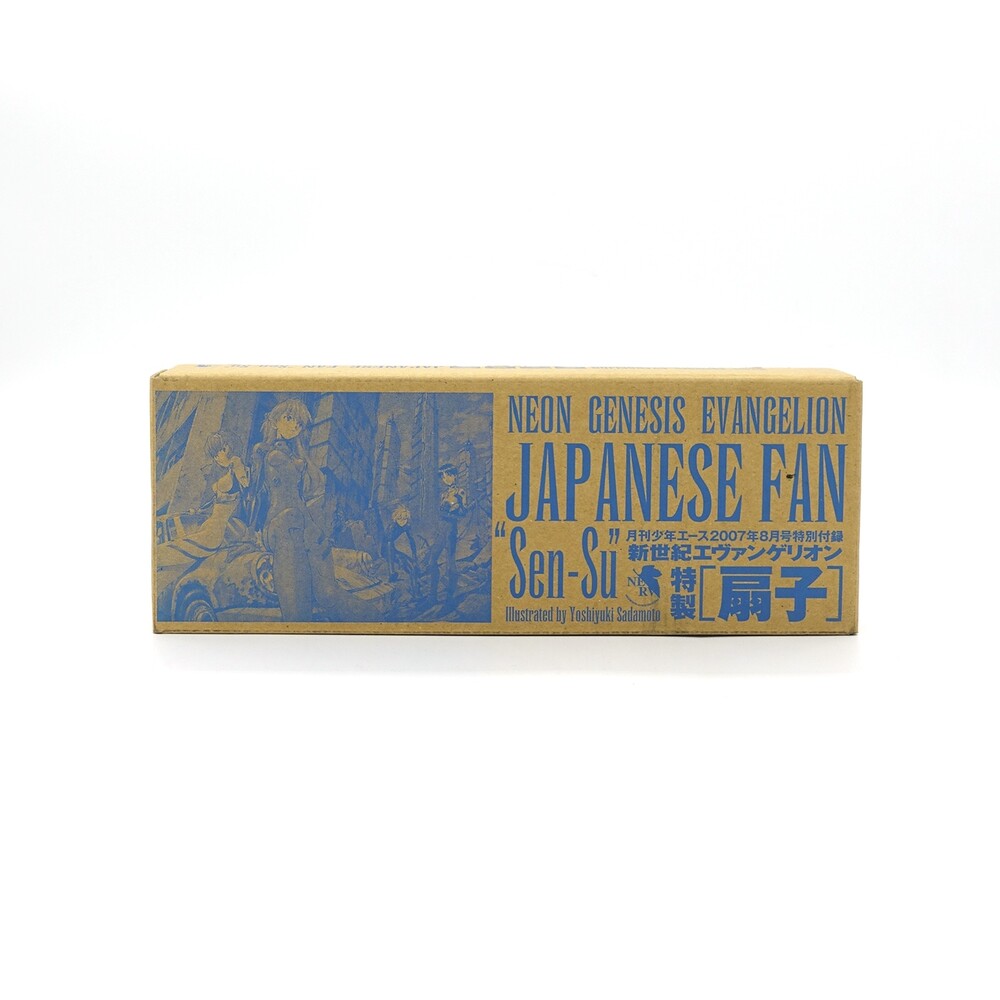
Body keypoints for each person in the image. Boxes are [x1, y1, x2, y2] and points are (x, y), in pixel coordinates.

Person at [249, 399, 325, 621]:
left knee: (306, 586)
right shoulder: (268, 453)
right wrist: (254, 528)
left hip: (294, 521)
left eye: (299, 424)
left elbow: (300, 496)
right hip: (279, 522)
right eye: (289, 418)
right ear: (275, 420)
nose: (294, 426)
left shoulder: (294, 455)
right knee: (295, 599)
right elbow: (258, 493)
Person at [425, 462, 468, 610]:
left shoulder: (460, 492)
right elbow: (439, 512)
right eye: (443, 477)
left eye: (447, 476)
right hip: (441, 531)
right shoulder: (444, 494)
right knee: (432, 560)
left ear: (454, 475)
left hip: (450, 530)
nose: (445, 479)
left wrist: (458, 506)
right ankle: (432, 597)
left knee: (450, 564)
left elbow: (463, 513)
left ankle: (450, 599)